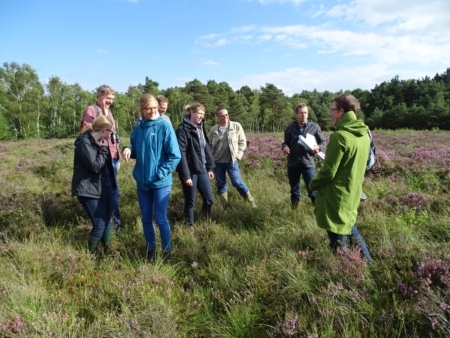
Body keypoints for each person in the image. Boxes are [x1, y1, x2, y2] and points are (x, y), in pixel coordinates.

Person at [309, 93, 373, 264]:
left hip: (336, 196)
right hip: (353, 193)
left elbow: (329, 172)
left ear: (342, 111)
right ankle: (369, 265)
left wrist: (312, 184)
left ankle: (343, 271)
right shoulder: (364, 134)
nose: (331, 113)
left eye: (333, 110)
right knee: (350, 226)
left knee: (337, 237)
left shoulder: (340, 136)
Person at [121, 94, 181, 262]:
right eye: (149, 108)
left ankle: (167, 251)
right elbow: (135, 148)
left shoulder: (164, 126)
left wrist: (160, 173)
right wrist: (127, 148)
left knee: (160, 218)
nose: (153, 111)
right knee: (146, 218)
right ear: (142, 110)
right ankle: (151, 250)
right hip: (142, 182)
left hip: (161, 182)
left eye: (155, 108)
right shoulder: (139, 128)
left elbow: (175, 156)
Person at [81, 85, 122, 233]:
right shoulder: (91, 110)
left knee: (113, 191)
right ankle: (108, 225)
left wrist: (118, 153)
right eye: (107, 98)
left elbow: (113, 135)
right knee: (108, 191)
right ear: (99, 96)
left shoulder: (109, 112)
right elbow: (89, 133)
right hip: (101, 157)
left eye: (112, 98)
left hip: (112, 157)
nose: (110, 101)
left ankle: (112, 223)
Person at [72, 116, 116, 254]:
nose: (111, 135)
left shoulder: (97, 141)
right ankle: (90, 255)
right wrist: (103, 149)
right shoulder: (84, 143)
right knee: (99, 224)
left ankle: (106, 252)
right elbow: (95, 166)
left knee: (106, 221)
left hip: (99, 188)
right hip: (87, 189)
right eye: (110, 132)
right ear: (104, 130)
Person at [208, 108, 256, 208]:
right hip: (217, 162)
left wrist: (238, 156)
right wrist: (209, 159)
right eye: (222, 116)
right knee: (221, 184)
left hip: (231, 161)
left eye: (226, 115)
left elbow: (242, 142)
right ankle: (225, 206)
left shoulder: (236, 126)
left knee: (237, 182)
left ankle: (251, 202)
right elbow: (208, 145)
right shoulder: (213, 129)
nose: (225, 117)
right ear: (218, 117)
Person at [176, 103, 215, 225]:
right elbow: (181, 154)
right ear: (192, 112)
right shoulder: (182, 130)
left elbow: (205, 149)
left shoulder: (200, 128)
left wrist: (209, 168)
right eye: (199, 113)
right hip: (190, 171)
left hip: (202, 169)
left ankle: (204, 222)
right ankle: (190, 227)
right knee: (190, 202)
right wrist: (186, 176)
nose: (201, 117)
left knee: (209, 199)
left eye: (203, 114)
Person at [282, 103, 326, 208]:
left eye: (305, 113)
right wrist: (284, 147)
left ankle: (318, 211)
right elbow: (285, 142)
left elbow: (323, 142)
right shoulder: (290, 128)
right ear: (296, 114)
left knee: (312, 189)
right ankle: (295, 211)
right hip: (293, 163)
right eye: (301, 113)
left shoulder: (314, 127)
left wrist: (318, 147)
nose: (303, 115)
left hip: (308, 163)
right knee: (294, 190)